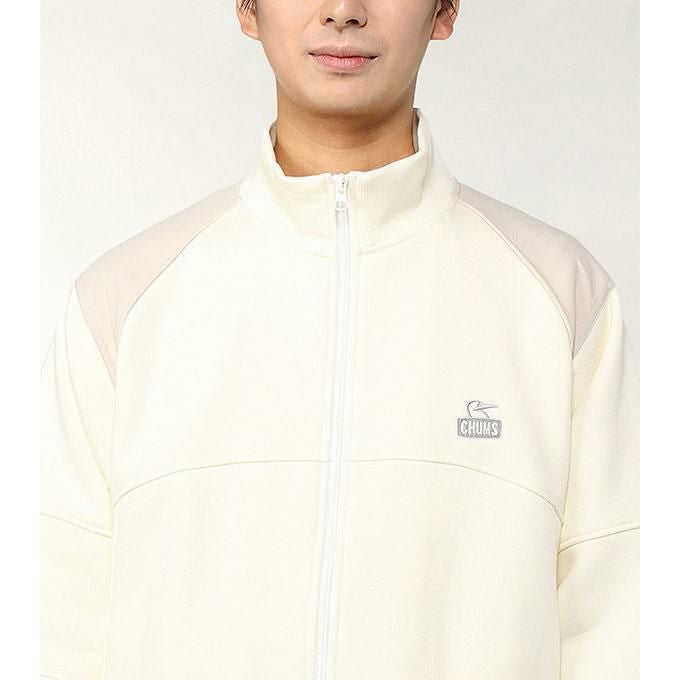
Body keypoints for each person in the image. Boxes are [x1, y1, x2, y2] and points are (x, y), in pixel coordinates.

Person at [40, 1, 639, 679]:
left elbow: (622, 619)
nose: (344, 10)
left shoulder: (560, 298)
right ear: (247, 8)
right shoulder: (123, 303)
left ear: (444, 11)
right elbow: (55, 621)